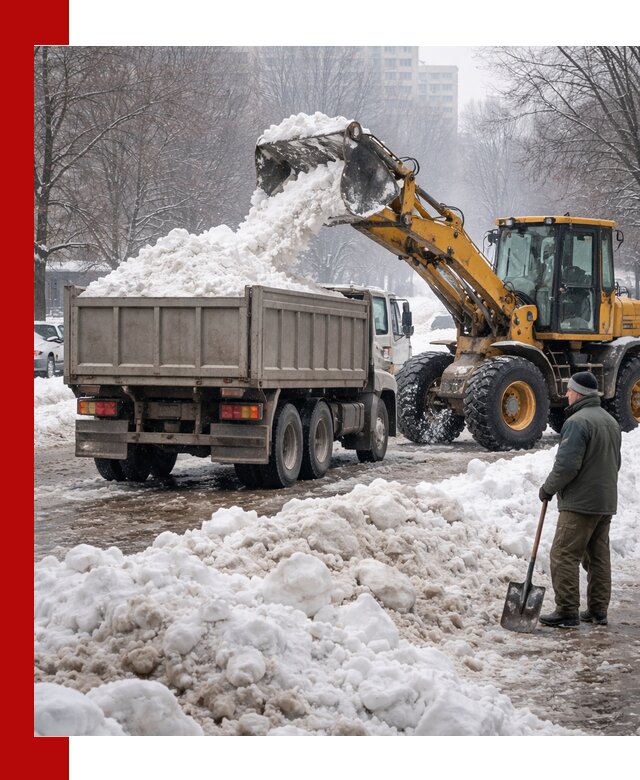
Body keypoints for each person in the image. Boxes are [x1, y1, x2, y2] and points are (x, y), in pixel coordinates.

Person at [538, 371, 622, 628]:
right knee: (597, 557)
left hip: (580, 503)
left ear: (579, 393)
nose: (566, 394)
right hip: (604, 501)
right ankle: (598, 610)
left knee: (563, 554)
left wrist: (548, 489)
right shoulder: (610, 421)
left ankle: (566, 611)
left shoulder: (577, 422)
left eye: (569, 390)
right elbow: (615, 462)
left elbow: (567, 466)